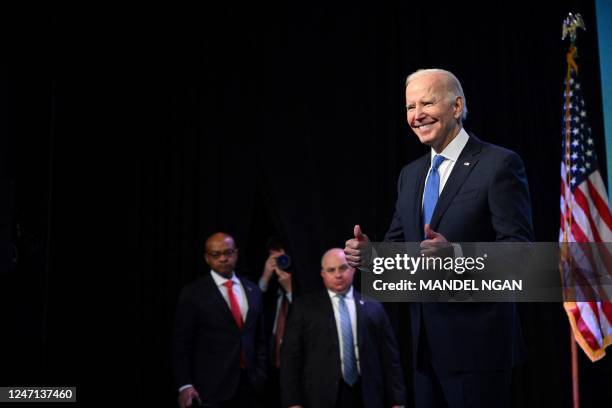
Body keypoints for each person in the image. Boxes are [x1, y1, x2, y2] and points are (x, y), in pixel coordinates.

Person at [345, 69, 534, 408]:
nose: (416, 115)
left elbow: (522, 253)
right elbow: (398, 249)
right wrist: (370, 256)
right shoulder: (410, 175)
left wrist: (458, 255)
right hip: (424, 350)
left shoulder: (498, 164)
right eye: (409, 106)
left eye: (427, 102)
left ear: (457, 106)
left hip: (479, 349)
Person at [280, 248, 406, 408]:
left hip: (367, 395)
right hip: (321, 397)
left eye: (343, 268)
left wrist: (398, 401)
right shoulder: (304, 308)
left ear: (353, 269)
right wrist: (293, 402)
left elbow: (390, 358)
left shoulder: (373, 307)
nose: (338, 275)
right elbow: (291, 358)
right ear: (322, 274)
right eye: (331, 270)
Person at [172, 232, 267, 408]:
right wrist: (185, 384)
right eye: (216, 254)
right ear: (207, 258)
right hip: (210, 389)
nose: (223, 258)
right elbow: (181, 343)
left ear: (236, 254)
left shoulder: (252, 290)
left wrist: (260, 373)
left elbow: (259, 337)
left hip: (250, 387)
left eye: (228, 253)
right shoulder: (193, 293)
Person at [258, 237, 293, 407]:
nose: (280, 263)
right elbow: (252, 311)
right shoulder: (270, 295)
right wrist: (265, 277)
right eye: (275, 259)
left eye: (283, 258)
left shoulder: (304, 289)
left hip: (294, 368)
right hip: (269, 369)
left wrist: (290, 290)